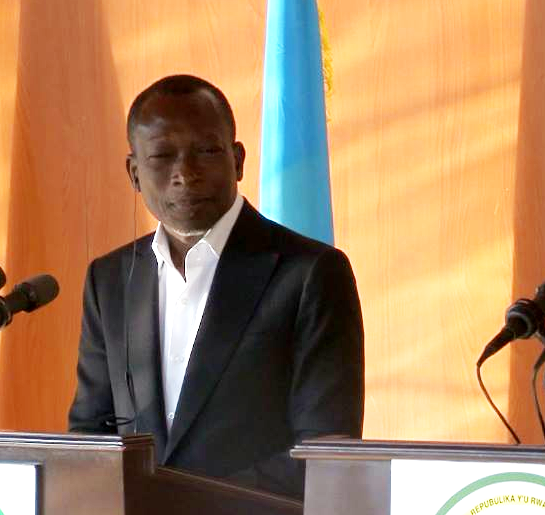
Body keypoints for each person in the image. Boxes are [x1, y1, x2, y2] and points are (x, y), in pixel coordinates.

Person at [68, 74, 364, 499]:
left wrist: (181, 501)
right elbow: (90, 434)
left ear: (238, 160)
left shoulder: (311, 273)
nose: (184, 175)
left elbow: (325, 450)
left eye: (205, 151)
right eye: (162, 156)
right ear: (134, 173)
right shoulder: (109, 279)